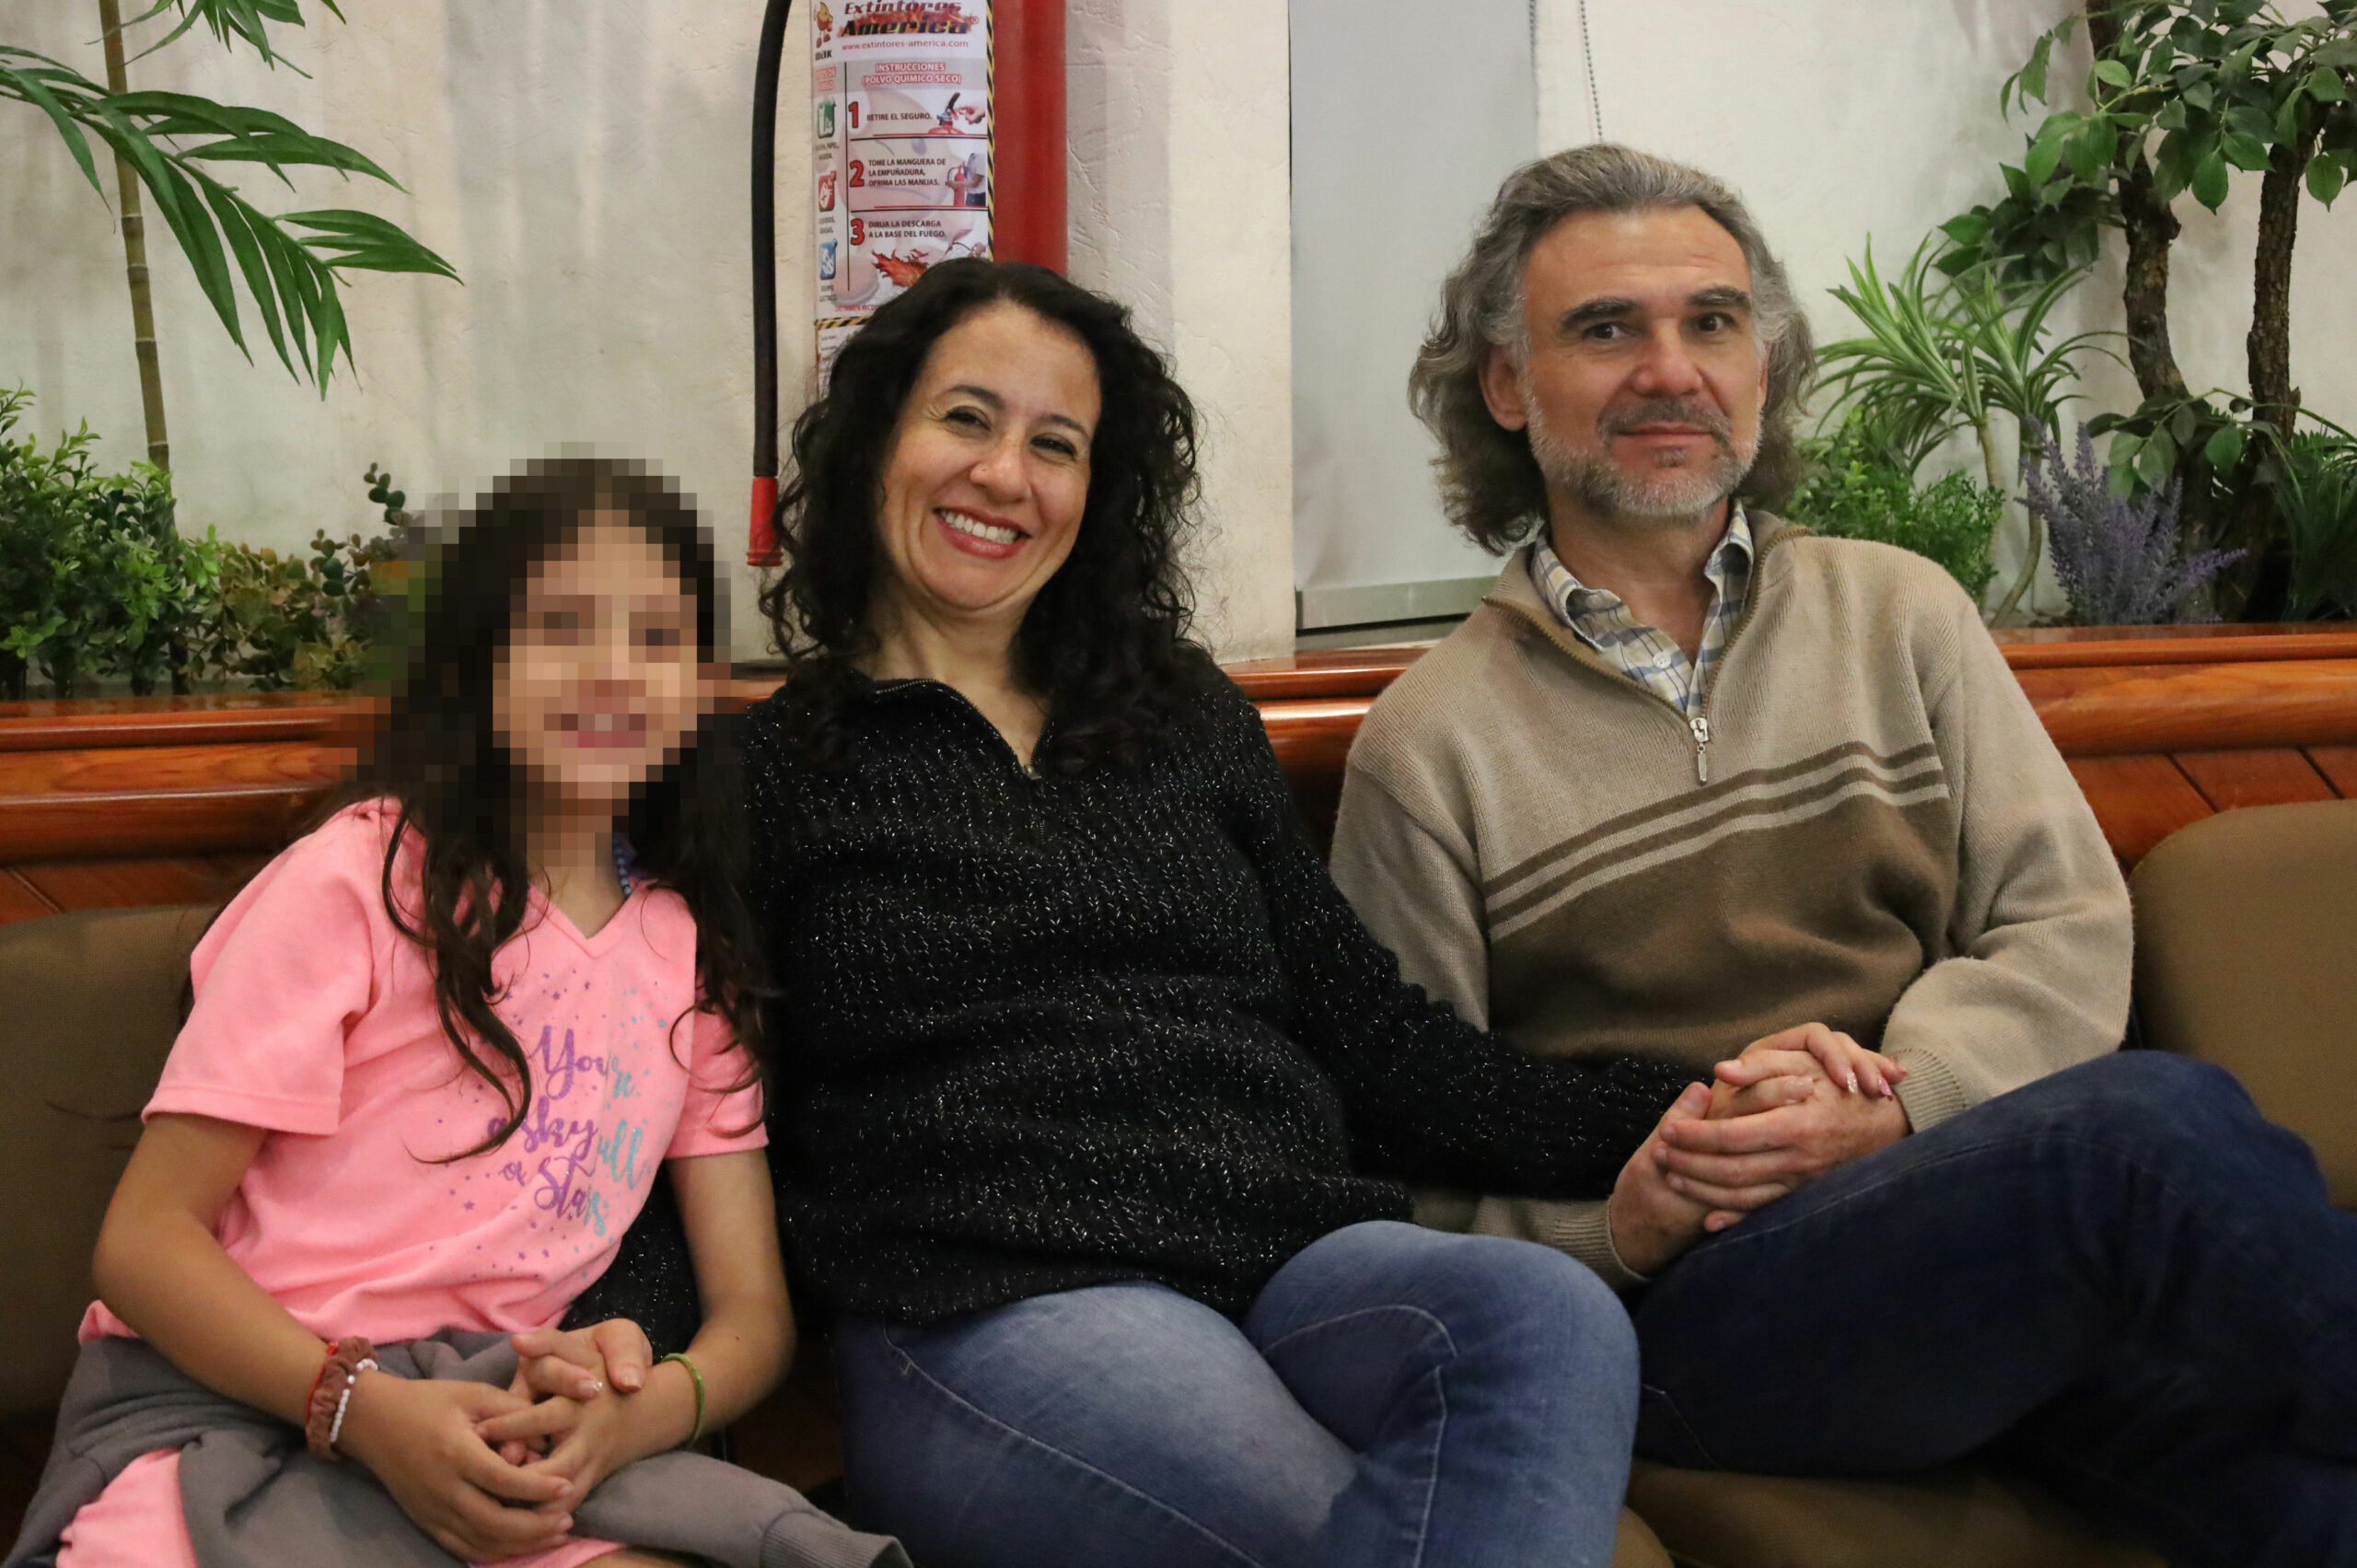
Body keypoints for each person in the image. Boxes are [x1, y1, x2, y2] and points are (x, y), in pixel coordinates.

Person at [1329, 143, 2357, 1568]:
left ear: (1762, 362)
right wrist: (1624, 1218)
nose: (1671, 370)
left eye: (1712, 321)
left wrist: (1900, 1107)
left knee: (2301, 1497)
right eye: (1607, 328)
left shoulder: (1902, 614)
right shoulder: (1428, 745)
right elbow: (1401, 1154)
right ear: (1507, 384)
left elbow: (2063, 923)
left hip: (1975, 1226)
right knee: (2146, 1130)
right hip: (1694, 1312)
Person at [675, 255, 1736, 1568]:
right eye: (965, 417)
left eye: (1055, 444)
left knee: (1548, 1313)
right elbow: (675, 1106)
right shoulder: (765, 774)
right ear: (874, 441)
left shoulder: (1179, 716)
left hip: (1294, 1266)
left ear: (1097, 492)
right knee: (1331, 1531)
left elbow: (1378, 1044)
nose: (1005, 473)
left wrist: (1696, 1105)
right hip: (985, 1301)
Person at [6, 460, 902, 1568]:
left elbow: (752, 1317)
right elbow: (143, 1245)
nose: (612, 667)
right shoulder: (357, 882)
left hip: (494, 1422)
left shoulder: (693, 956)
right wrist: (359, 1407)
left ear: (700, 683)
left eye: (656, 635)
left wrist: (641, 1412)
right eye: (562, 624)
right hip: (238, 1394)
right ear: (478, 662)